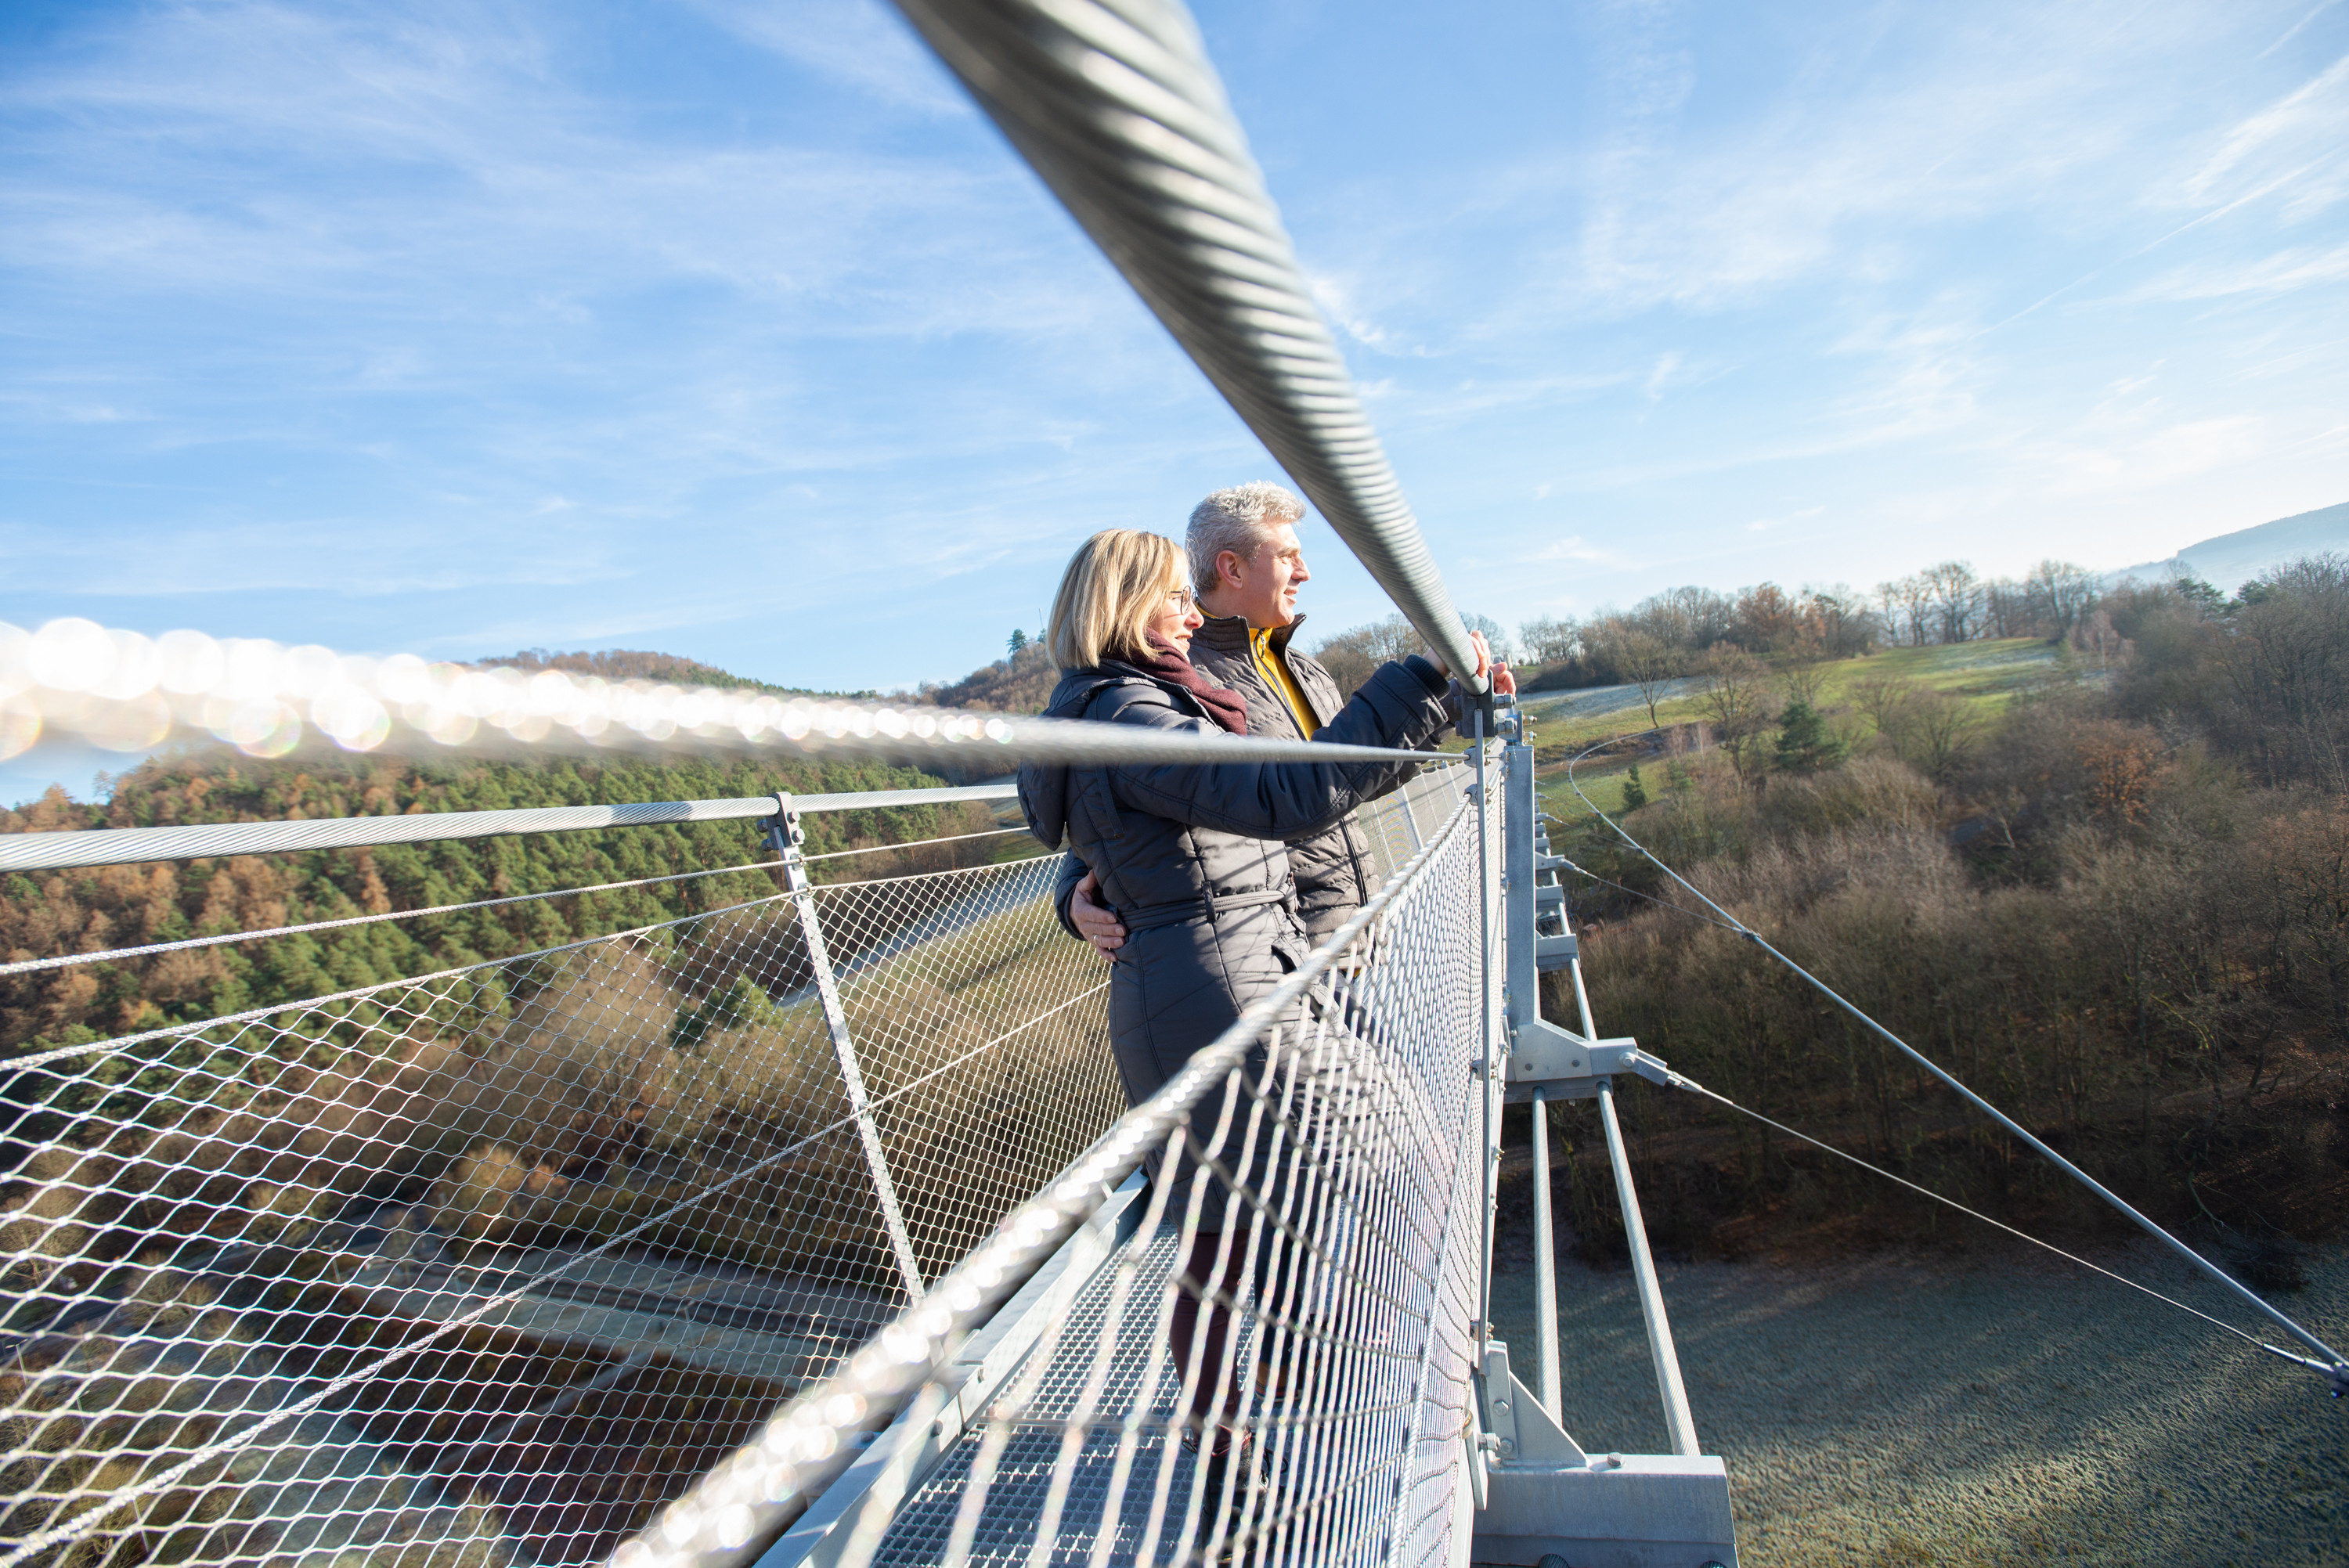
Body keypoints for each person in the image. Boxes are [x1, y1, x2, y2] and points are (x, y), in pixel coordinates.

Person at [1016, 526, 1502, 1527]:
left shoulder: (1111, 707)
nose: (1193, 612)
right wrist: (1421, 673)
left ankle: (1232, 1449)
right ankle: (1402, 1404)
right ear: (1124, 605)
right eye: (1173, 598)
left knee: (1222, 1234)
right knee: (1413, 1157)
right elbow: (1282, 793)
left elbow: (1155, 824)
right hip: (1231, 999)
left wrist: (1437, 706)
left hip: (1187, 996)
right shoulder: (1134, 709)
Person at [1055, 482, 1512, 957]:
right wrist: (1072, 896)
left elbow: (1354, 777)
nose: (1306, 572)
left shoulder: (1305, 670)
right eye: (1288, 556)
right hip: (1283, 954)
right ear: (1232, 567)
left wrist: (1447, 703)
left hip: (1359, 931)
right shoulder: (1182, 681)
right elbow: (1110, 810)